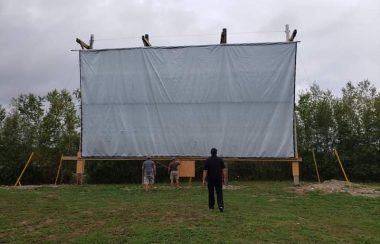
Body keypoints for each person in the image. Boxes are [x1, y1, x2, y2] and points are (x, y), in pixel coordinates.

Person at [203, 148, 226, 212]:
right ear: (216, 152)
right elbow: (224, 170)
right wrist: (224, 178)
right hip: (218, 179)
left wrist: (203, 180)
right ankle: (220, 206)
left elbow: (205, 171)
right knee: (219, 192)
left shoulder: (208, 160)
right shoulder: (220, 160)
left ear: (211, 152)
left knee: (211, 193)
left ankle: (211, 207)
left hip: (210, 179)